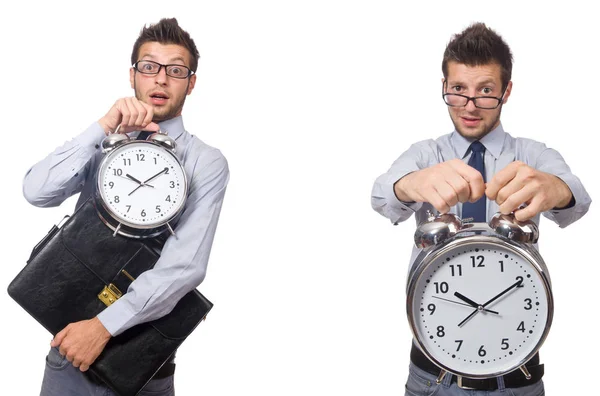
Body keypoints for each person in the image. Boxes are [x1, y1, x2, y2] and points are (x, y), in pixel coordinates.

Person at [371, 22, 591, 395]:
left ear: (506, 91)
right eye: (458, 90)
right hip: (432, 374)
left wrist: (554, 188)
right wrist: (411, 183)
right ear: (444, 87)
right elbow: (380, 196)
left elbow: (578, 199)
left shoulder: (532, 154)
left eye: (485, 91)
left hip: (515, 375)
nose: (470, 106)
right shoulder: (427, 154)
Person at [22, 18, 229, 396]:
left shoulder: (205, 162)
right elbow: (37, 191)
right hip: (69, 360)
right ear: (133, 76)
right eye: (149, 67)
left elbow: (184, 268)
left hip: (141, 368)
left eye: (176, 70)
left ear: (191, 82)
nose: (161, 80)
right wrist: (102, 126)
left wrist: (101, 328)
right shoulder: (103, 141)